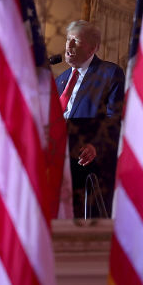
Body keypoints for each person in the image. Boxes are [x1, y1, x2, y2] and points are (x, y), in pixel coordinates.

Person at [55, 20, 125, 218]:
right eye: (68, 40)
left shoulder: (109, 73)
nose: (68, 46)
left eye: (75, 41)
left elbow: (114, 119)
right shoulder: (60, 78)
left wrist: (96, 145)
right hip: (57, 159)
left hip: (86, 163)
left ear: (93, 47)